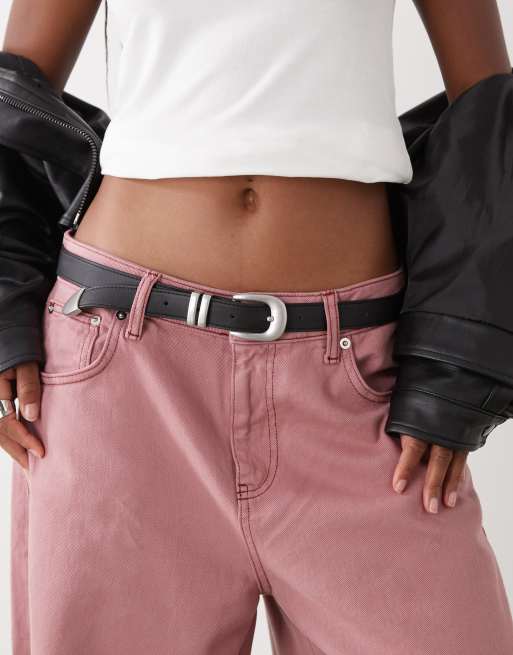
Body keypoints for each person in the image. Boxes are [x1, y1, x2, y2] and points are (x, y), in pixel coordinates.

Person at [1, 0, 513, 652]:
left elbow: (489, 113)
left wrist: (455, 370)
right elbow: (11, 92)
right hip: (125, 379)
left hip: (359, 383)